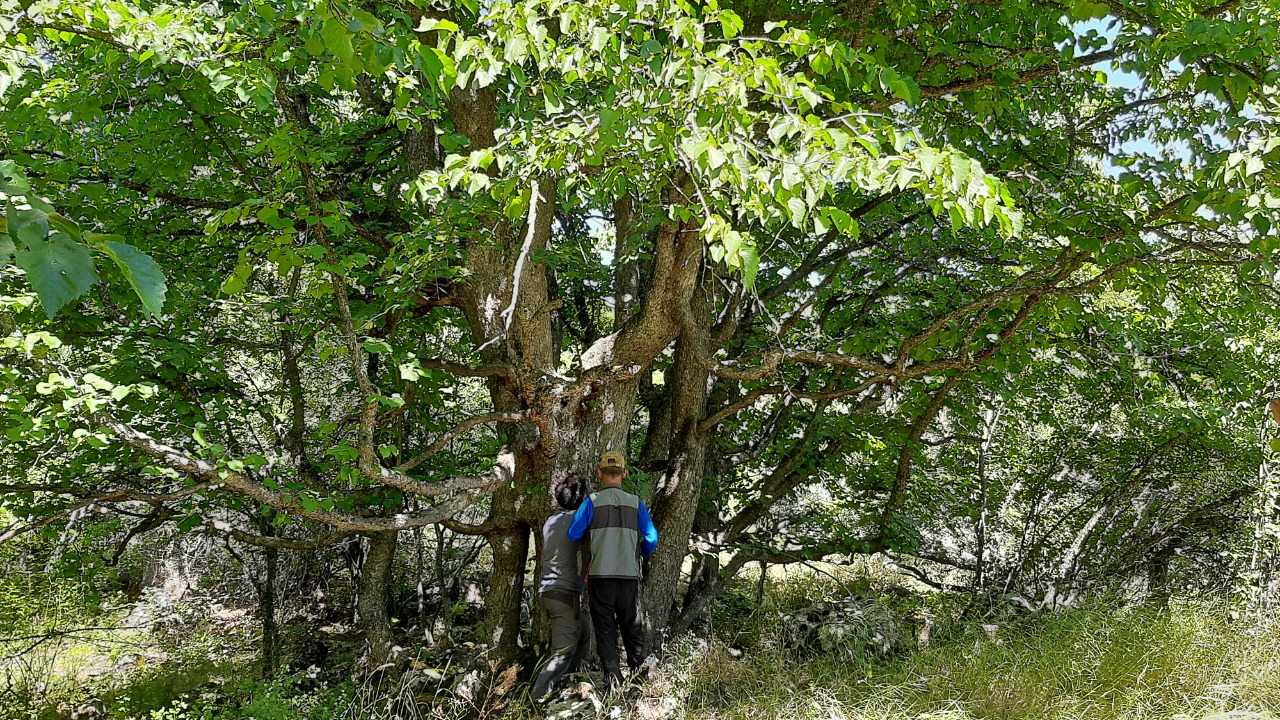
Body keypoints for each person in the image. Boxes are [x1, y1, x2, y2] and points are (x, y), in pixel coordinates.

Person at [567, 451, 659, 692]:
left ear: (600, 473)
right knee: (632, 626)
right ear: (624, 473)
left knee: (605, 630)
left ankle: (614, 681)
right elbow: (651, 538)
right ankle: (639, 680)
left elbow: (573, 534)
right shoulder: (635, 503)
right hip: (628, 577)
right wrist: (640, 552)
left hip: (600, 576)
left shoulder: (592, 501)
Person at [530, 471, 593, 700]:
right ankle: (534, 701)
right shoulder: (580, 522)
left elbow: (549, 556)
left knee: (584, 632)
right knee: (562, 652)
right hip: (563, 592)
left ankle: (569, 684)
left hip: (550, 590)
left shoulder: (551, 521)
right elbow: (587, 555)